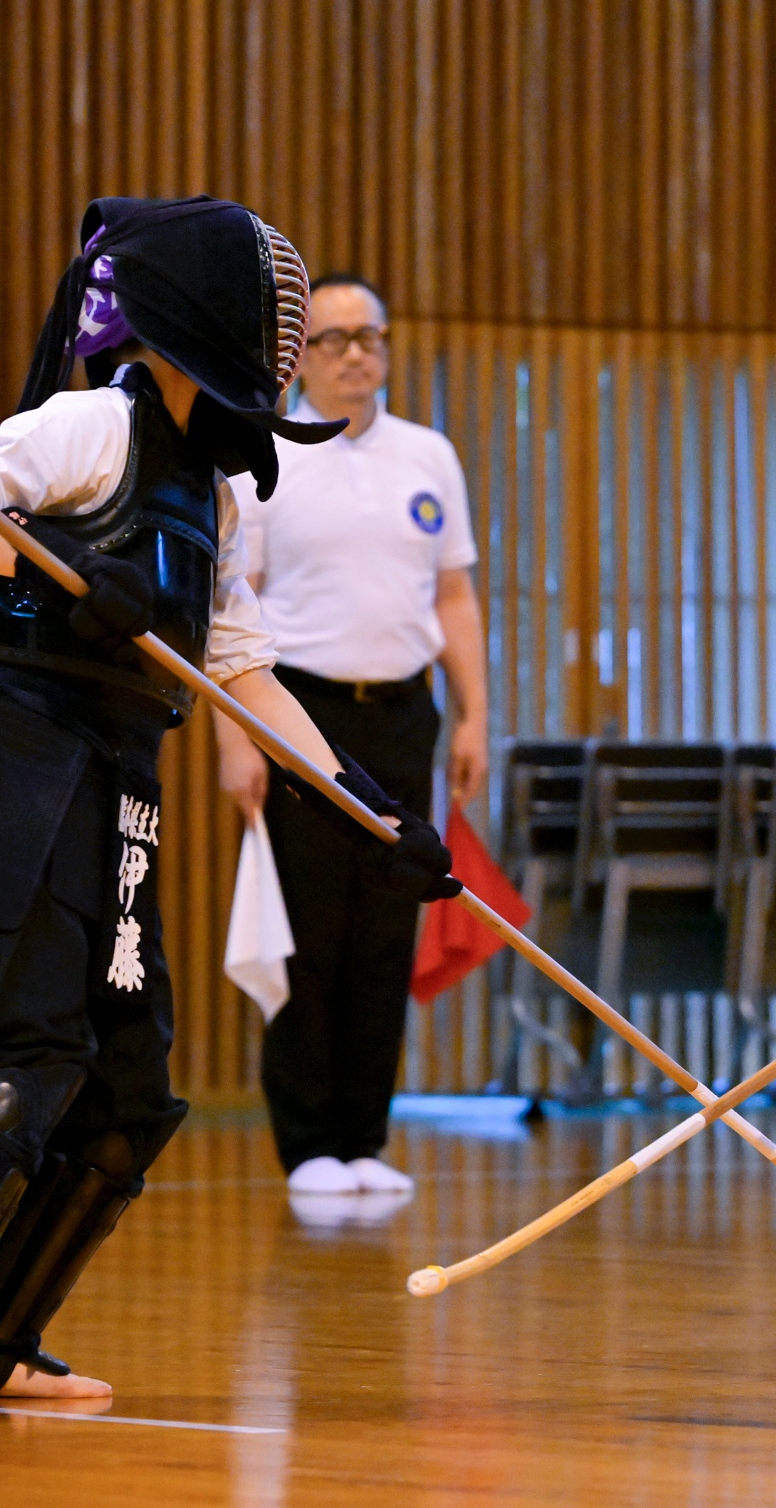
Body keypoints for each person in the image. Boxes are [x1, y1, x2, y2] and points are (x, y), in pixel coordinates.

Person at [0, 197, 459, 1424]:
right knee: (27, 1049)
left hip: (116, 785)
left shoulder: (219, 494)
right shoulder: (91, 423)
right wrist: (64, 571)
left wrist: (373, 811)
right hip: (10, 768)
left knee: (126, 1086)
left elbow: (242, 668)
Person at [213, 272, 488, 1197]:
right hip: (300, 714)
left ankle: (365, 1140)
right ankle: (308, 1148)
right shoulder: (265, 458)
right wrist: (237, 740)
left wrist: (475, 712)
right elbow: (230, 607)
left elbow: (454, 594)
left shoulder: (429, 456)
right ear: (301, 358)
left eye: (368, 336)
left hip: (404, 713)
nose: (355, 354)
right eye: (332, 339)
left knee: (384, 932)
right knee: (311, 932)